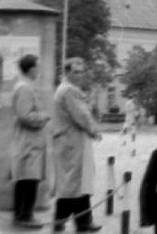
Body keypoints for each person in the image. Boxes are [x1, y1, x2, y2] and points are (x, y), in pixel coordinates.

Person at [53, 57, 103, 232]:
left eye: (82, 72)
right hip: (72, 143)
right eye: (76, 72)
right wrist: (94, 130)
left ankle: (83, 221)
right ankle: (62, 221)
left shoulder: (68, 89)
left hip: (73, 142)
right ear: (67, 72)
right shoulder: (68, 91)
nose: (80, 75)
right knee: (73, 184)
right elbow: (81, 115)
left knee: (79, 183)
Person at [11, 54, 51, 229]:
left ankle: (22, 214)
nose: (39, 71)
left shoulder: (24, 86)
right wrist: (44, 116)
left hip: (29, 141)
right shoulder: (25, 88)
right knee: (29, 180)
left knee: (26, 179)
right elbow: (25, 116)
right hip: (29, 142)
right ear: (31, 69)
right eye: (37, 67)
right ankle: (25, 216)